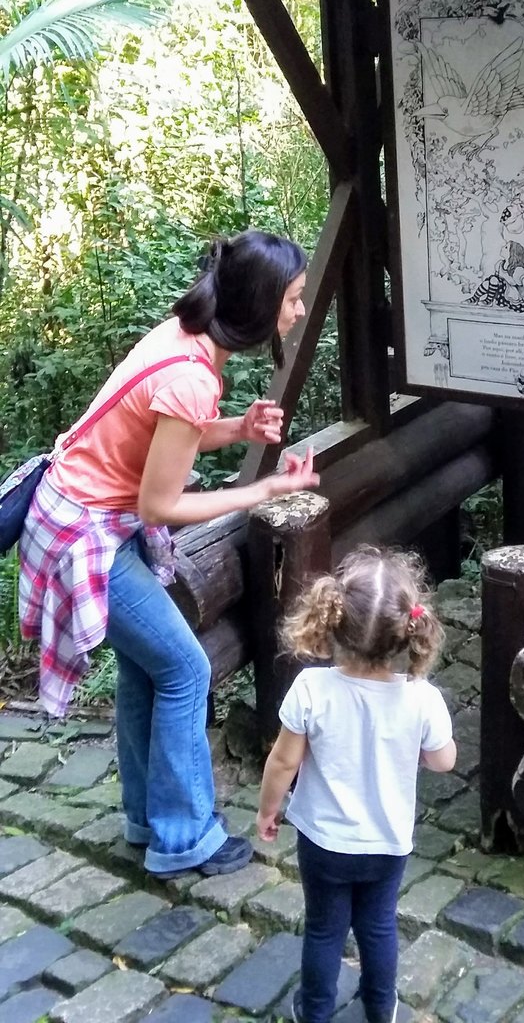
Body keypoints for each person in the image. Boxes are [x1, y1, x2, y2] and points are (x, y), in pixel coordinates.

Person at [18, 229, 319, 880]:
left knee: (144, 666)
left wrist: (237, 429)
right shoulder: (191, 377)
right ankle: (183, 839)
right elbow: (161, 504)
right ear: (263, 302)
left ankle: (144, 817)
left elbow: (164, 446)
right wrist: (260, 489)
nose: (296, 311)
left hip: (76, 513)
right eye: (292, 299)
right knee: (184, 669)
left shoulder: (182, 341)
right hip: (83, 537)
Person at [257, 546, 456, 1023]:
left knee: (324, 931)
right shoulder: (421, 699)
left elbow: (283, 762)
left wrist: (268, 810)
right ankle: (380, 1006)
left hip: (324, 841)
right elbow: (443, 761)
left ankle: (316, 1011)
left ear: (333, 623)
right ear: (407, 632)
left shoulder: (312, 689)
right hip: (387, 843)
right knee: (379, 926)